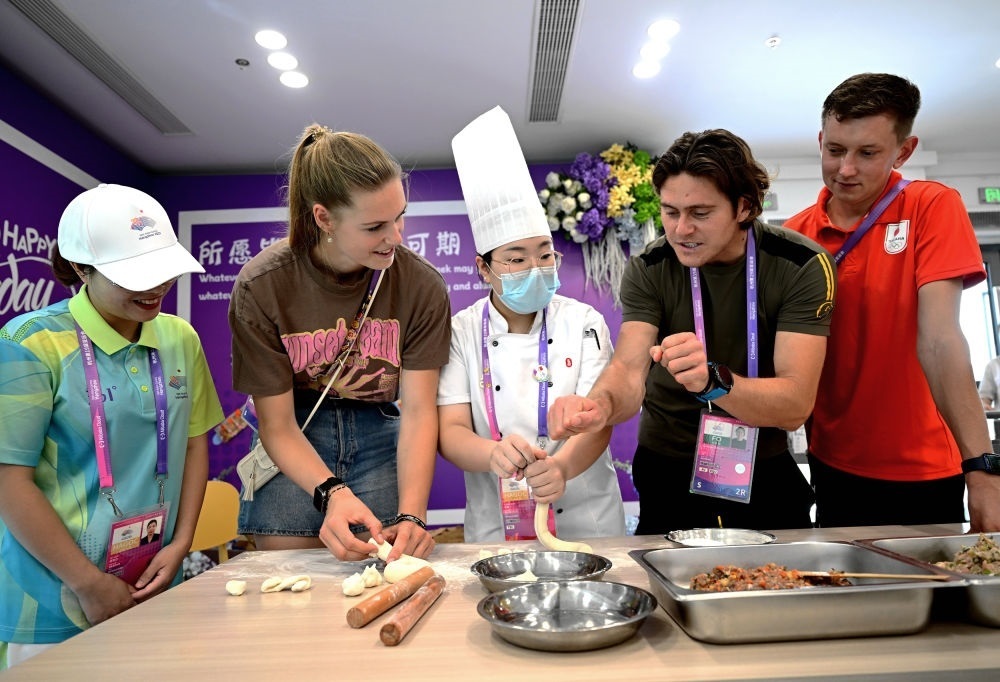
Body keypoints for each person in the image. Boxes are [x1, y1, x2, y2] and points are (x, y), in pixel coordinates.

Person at [548, 129, 837, 534]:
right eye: (670, 212)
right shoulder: (650, 267)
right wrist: (599, 407)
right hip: (666, 465)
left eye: (700, 213)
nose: (681, 230)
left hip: (761, 464)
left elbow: (794, 407)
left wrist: (712, 381)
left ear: (744, 206)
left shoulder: (800, 264)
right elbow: (628, 368)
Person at [0, 184, 223, 669]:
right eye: (134, 275)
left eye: (162, 268)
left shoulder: (179, 337)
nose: (156, 287)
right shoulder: (29, 343)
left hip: (154, 581)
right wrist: (88, 583)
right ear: (81, 268)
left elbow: (193, 443)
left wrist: (181, 542)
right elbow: (8, 481)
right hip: (52, 597)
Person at [783, 73, 1000, 531]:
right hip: (832, 464)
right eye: (835, 150)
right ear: (820, 141)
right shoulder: (794, 235)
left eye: (868, 153)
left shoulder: (930, 206)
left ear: (904, 151)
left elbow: (940, 341)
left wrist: (982, 469)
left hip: (925, 467)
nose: (846, 169)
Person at [228, 124, 451, 562]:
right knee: (289, 586)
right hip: (296, 438)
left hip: (380, 434)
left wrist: (413, 514)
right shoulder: (262, 286)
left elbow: (420, 410)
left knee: (381, 577)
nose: (396, 237)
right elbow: (277, 424)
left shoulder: (421, 285)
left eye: (400, 216)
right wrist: (331, 491)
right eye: (374, 226)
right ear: (324, 218)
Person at [438, 106, 625, 543]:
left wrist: (561, 467)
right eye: (516, 259)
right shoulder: (460, 332)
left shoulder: (584, 322)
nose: (536, 268)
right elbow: (450, 431)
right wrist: (491, 454)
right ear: (483, 269)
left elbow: (600, 421)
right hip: (496, 524)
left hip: (588, 519)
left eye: (544, 254)